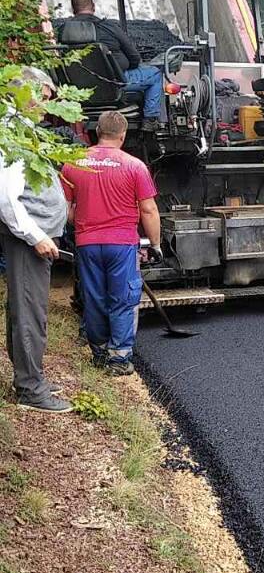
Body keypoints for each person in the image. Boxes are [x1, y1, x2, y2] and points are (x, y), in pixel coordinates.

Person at [60, 110, 162, 375]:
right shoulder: (135, 166)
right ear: (123, 135)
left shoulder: (73, 164)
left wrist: (82, 224)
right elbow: (149, 210)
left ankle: (99, 353)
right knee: (123, 299)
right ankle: (119, 359)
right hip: (121, 244)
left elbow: (65, 208)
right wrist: (155, 244)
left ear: (97, 132)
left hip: (87, 244)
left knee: (94, 298)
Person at [0, 68, 72, 413]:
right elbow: (7, 198)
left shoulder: (23, 129)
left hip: (33, 236)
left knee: (25, 309)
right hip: (27, 239)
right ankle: (31, 389)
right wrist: (36, 235)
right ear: (27, 92)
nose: (46, 106)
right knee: (30, 312)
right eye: (44, 97)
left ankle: (29, 376)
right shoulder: (12, 132)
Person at [60, 0, 164, 131]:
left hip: (77, 89)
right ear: (94, 7)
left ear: (73, 10)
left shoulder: (62, 31)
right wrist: (125, 68)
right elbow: (134, 57)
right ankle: (150, 120)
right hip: (115, 84)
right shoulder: (109, 27)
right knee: (155, 74)